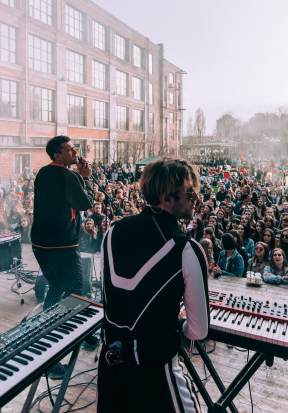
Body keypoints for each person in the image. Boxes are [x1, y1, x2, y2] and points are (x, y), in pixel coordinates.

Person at [98, 157, 207, 413]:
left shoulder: (112, 232)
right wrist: (179, 322)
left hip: (111, 369)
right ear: (166, 196)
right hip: (157, 375)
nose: (197, 198)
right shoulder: (186, 249)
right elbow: (198, 330)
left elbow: (115, 300)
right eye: (190, 191)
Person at [31, 136, 96, 379]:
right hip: (62, 245)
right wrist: (85, 178)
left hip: (41, 243)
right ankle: (53, 355)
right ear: (58, 156)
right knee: (76, 292)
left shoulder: (43, 172)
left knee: (57, 286)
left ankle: (82, 334)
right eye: (69, 149)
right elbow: (86, 203)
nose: (75, 151)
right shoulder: (69, 175)